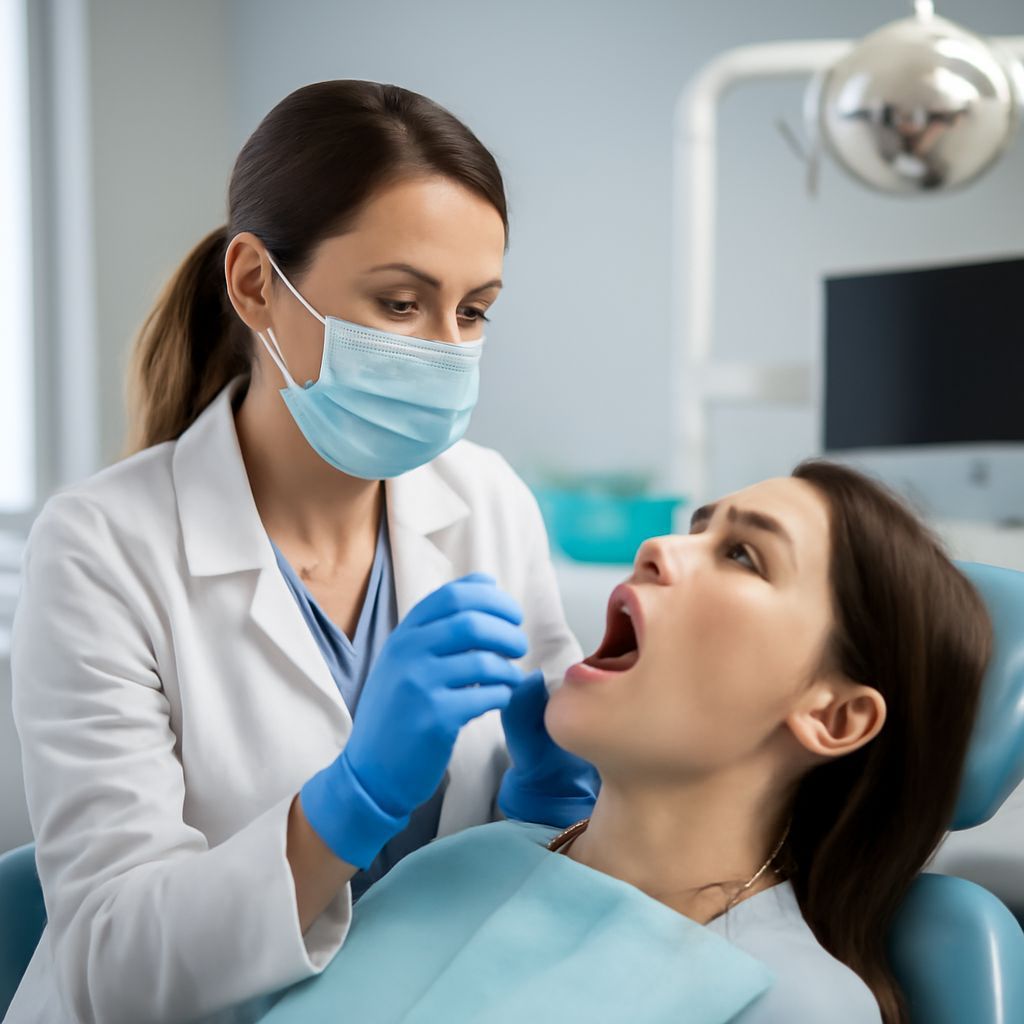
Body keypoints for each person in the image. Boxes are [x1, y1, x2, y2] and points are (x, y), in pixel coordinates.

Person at [8, 81, 597, 1024]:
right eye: (401, 303)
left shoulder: (485, 499)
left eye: (475, 311)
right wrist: (351, 803)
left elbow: (538, 851)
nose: (447, 352)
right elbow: (114, 961)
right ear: (254, 286)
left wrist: (553, 809)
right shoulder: (101, 546)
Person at [259, 460, 991, 1024]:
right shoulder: (462, 861)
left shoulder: (791, 1003)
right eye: (696, 529)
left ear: (834, 719)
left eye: (742, 555)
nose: (657, 547)